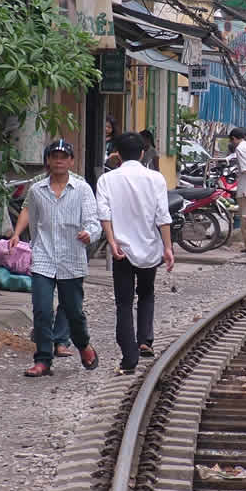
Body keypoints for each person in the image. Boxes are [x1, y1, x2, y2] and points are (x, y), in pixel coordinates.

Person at [11, 139, 101, 377]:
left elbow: (94, 221)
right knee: (41, 309)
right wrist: (18, 235)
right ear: (48, 160)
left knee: (73, 311)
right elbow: (31, 214)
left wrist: (89, 233)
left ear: (71, 161)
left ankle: (83, 344)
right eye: (54, 156)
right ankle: (43, 359)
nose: (59, 160)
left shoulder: (82, 189)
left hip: (72, 257)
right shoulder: (37, 190)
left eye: (64, 156)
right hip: (44, 256)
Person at [96, 132, 175, 374]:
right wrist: (168, 247)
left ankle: (129, 356)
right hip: (150, 248)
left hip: (122, 250)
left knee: (123, 302)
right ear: (143, 153)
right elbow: (163, 216)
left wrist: (111, 241)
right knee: (147, 294)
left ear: (118, 154)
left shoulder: (107, 180)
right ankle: (145, 340)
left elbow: (104, 213)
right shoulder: (156, 179)